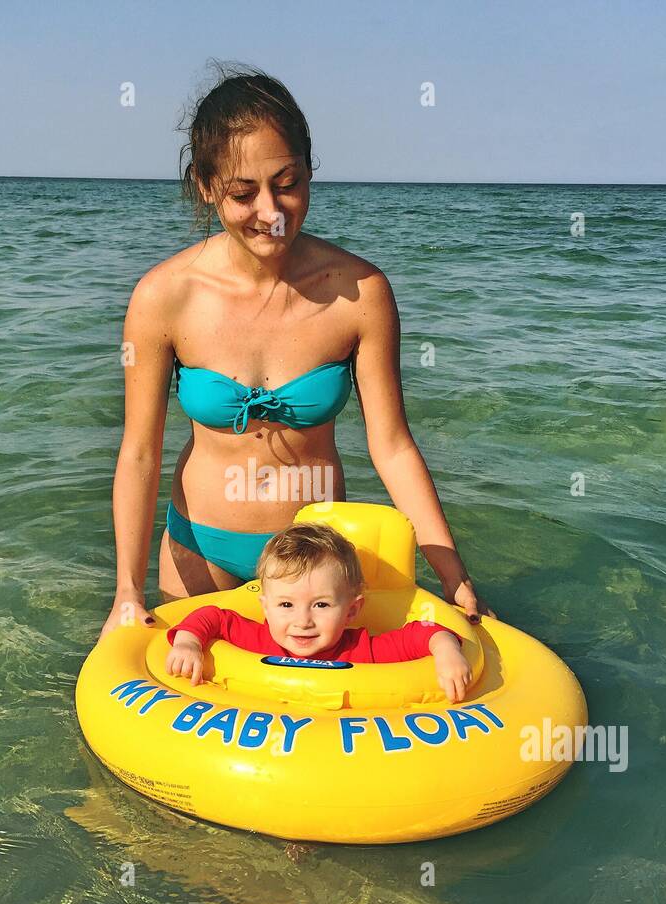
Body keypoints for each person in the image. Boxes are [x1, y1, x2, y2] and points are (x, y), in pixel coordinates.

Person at [101, 62, 495, 641]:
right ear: (207, 187)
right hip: (200, 553)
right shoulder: (163, 298)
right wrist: (127, 592)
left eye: (288, 183)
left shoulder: (360, 293)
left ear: (310, 173)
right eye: (243, 193)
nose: (271, 211)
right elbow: (139, 452)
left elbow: (392, 447)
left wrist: (453, 574)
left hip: (319, 569)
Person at [165, 523, 473, 704]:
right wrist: (188, 643)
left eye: (321, 605)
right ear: (265, 608)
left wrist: (446, 651)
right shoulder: (255, 638)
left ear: (353, 610)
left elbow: (421, 633)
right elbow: (212, 616)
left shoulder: (363, 650)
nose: (303, 621)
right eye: (286, 605)